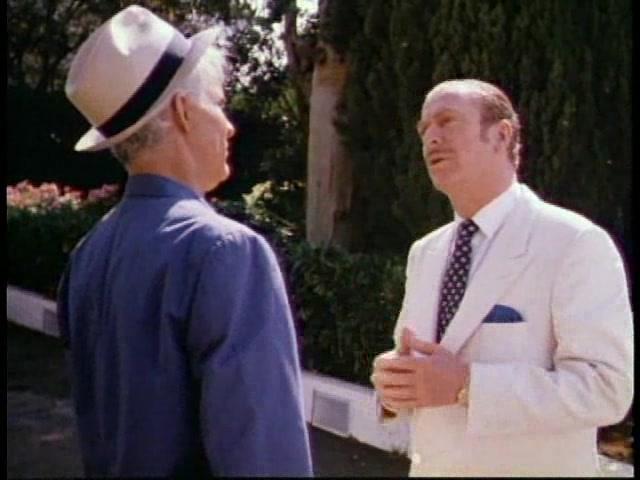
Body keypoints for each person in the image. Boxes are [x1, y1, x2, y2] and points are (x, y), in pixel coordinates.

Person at [57, 5, 312, 477]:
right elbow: (262, 454)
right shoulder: (225, 251)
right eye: (218, 101)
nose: (229, 124)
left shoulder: (88, 254)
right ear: (183, 110)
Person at [370, 78, 633, 477]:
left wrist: (468, 386)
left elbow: (605, 388)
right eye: (424, 129)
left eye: (447, 121)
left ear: (501, 134)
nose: (431, 138)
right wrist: (394, 387)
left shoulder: (574, 242)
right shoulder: (426, 252)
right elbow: (423, 368)